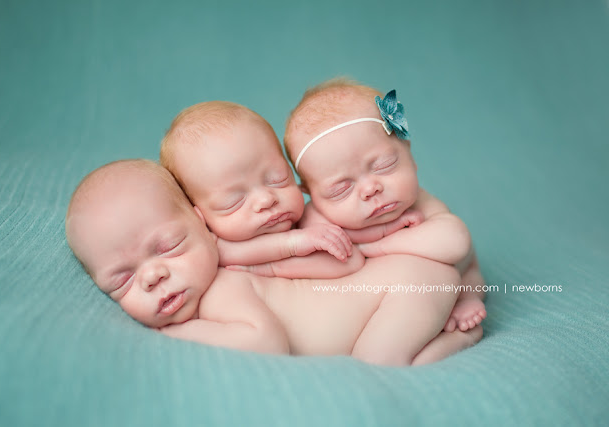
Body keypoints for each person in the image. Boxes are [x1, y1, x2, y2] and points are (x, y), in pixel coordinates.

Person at [65, 159, 482, 366]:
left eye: (169, 246)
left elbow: (265, 343)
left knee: (375, 367)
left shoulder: (224, 285)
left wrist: (174, 334)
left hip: (405, 286)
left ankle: (461, 338)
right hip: (403, 286)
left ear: (202, 222)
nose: (154, 276)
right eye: (121, 281)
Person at [283, 78, 487, 332]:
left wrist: (375, 244)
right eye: (340, 189)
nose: (370, 189)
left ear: (409, 155)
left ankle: (465, 298)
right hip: (388, 297)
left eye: (384, 166)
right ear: (311, 194)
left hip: (449, 281)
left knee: (468, 277)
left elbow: (455, 243)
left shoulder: (420, 203)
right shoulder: (317, 219)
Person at [160, 101, 365, 279]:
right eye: (233, 201)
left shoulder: (314, 219)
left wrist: (272, 267)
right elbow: (223, 253)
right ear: (199, 216)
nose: (266, 200)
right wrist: (293, 244)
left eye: (278, 180)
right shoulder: (212, 247)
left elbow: (351, 261)